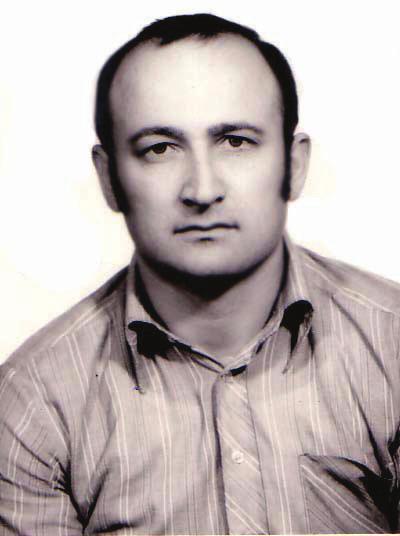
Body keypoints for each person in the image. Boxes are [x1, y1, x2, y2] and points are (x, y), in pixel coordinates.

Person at [1, 12, 400, 535]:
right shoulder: (32, 403)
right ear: (109, 179)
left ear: (294, 164)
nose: (202, 190)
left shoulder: (393, 344)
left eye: (235, 141)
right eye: (159, 149)